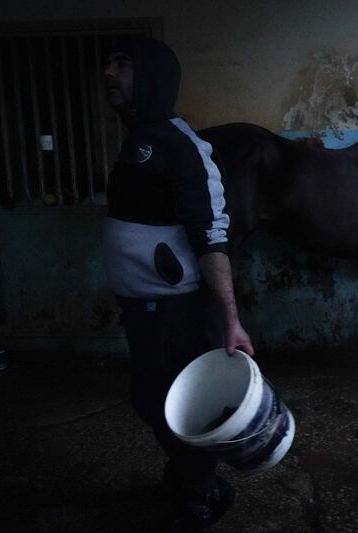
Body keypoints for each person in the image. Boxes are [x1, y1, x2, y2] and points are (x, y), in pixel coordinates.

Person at [102, 35, 254, 531]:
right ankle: (187, 475)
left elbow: (212, 236)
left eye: (121, 65)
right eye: (109, 65)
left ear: (149, 76)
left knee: (181, 408)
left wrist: (231, 320)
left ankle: (203, 493)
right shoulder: (137, 140)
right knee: (151, 401)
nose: (109, 74)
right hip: (142, 308)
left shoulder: (183, 145)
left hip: (177, 313)